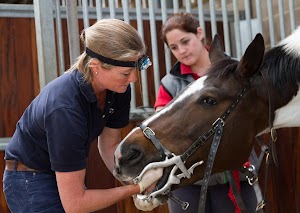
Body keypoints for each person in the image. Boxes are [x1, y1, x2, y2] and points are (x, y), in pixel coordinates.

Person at [3, 18, 163, 213]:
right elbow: (76, 204)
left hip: (61, 175)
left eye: (136, 69)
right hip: (30, 179)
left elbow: (109, 144)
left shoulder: (117, 89)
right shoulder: (65, 108)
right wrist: (135, 188)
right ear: (95, 66)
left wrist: (137, 178)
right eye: (125, 73)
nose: (134, 79)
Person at [154, 12, 262, 213]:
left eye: (185, 41)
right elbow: (164, 134)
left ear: (200, 33)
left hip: (235, 173)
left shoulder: (238, 70)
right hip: (186, 182)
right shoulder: (169, 84)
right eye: (174, 47)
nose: (182, 51)